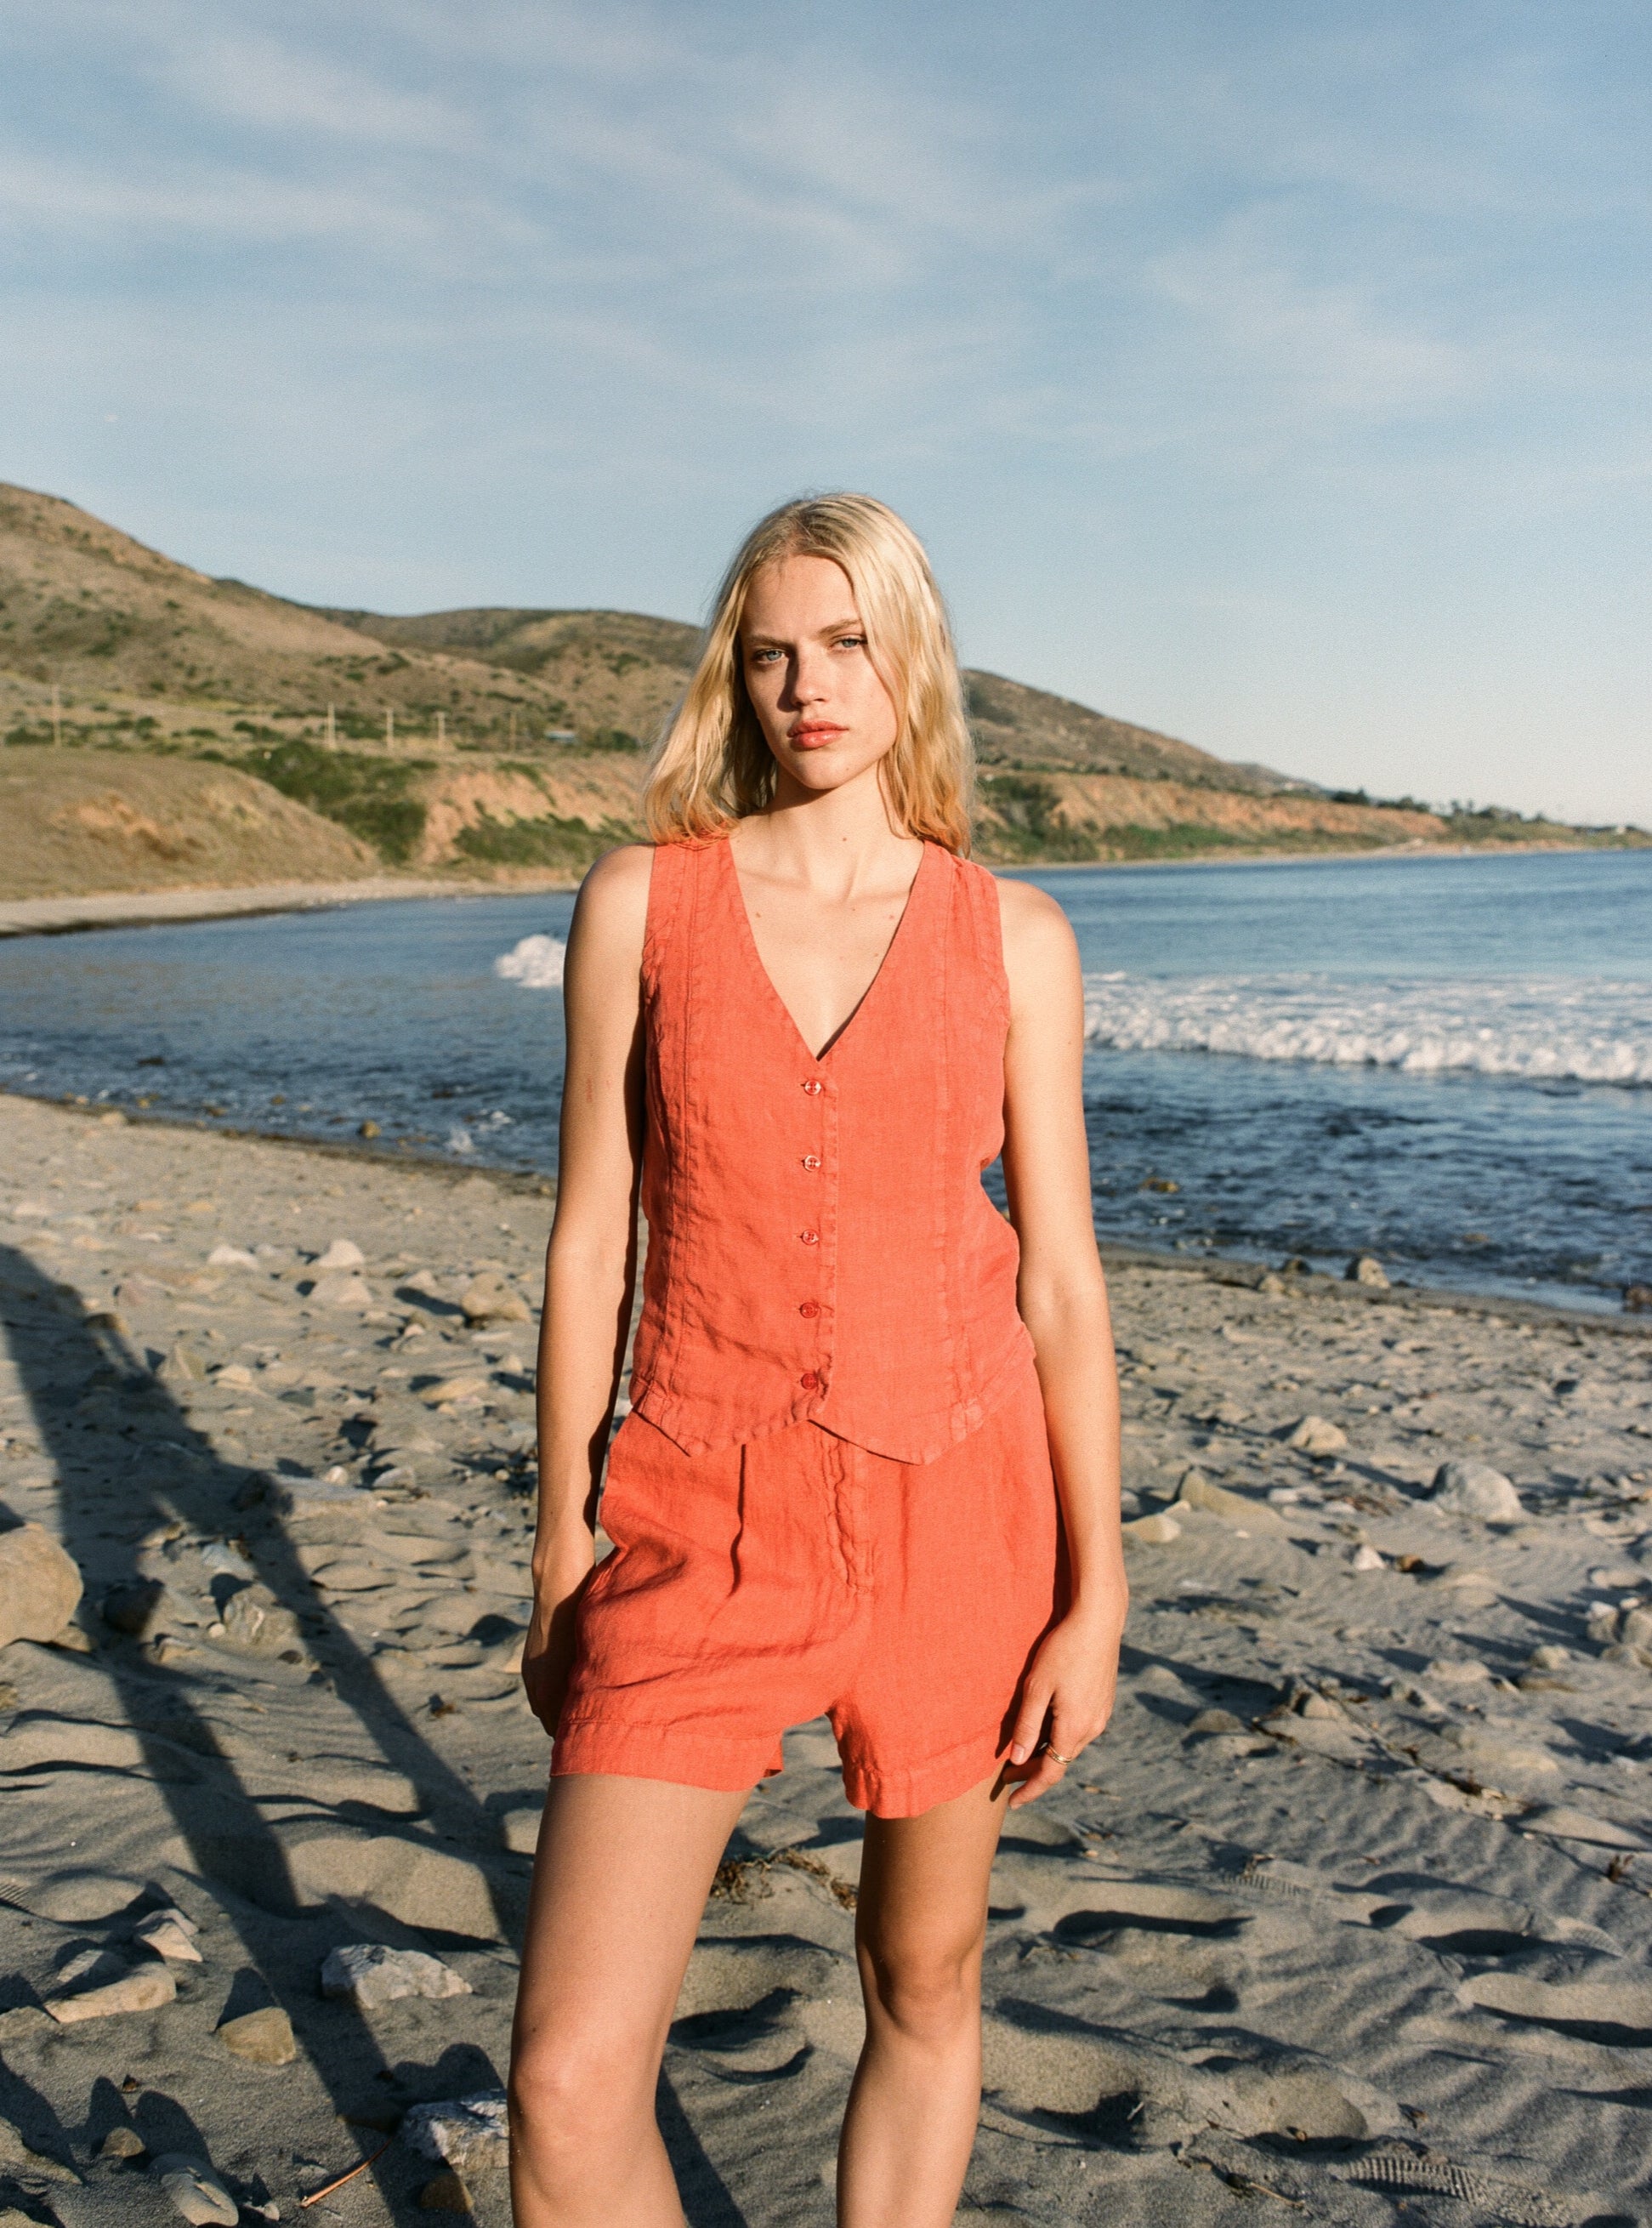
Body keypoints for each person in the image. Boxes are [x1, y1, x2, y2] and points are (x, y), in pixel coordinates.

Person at [509, 493, 1127, 2227]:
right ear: (736, 674)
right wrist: (562, 1542)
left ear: (907, 654)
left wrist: (1100, 1589)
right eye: (771, 650)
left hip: (961, 1512)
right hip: (694, 1515)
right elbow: (588, 1242)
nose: (807, 683)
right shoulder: (641, 902)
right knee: (564, 2077)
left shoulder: (1017, 939)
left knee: (922, 1984)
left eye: (845, 640)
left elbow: (1066, 1284)